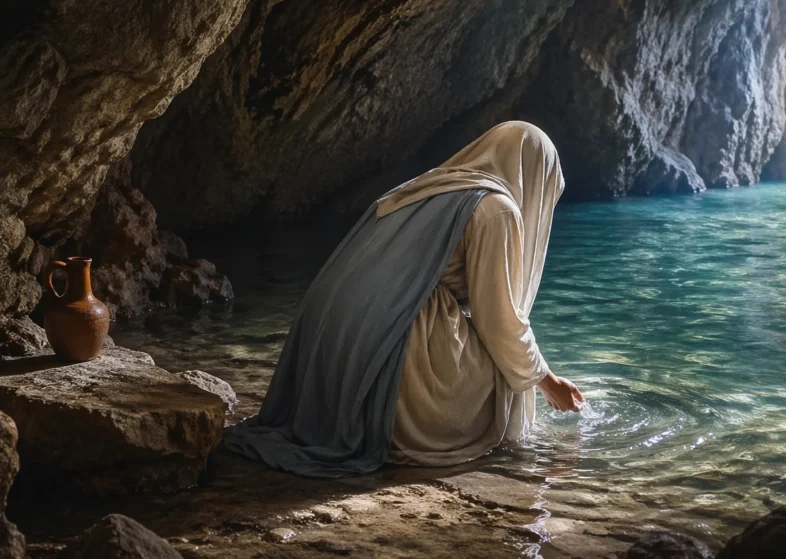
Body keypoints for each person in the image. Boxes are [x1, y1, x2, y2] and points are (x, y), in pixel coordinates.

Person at [225, 121, 584, 476]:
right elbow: (501, 325)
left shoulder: (431, 186)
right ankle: (411, 433)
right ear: (535, 176)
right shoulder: (498, 209)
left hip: (337, 332)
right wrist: (549, 382)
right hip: (397, 339)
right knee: (514, 378)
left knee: (516, 364)